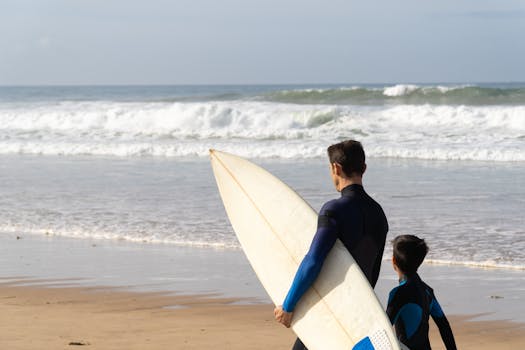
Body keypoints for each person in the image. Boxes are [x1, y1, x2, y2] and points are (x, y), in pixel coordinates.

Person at [274, 140, 389, 350]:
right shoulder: (379, 213)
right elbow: (374, 270)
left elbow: (313, 260)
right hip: (360, 308)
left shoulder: (334, 210)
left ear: (335, 167)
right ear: (363, 168)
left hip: (331, 305)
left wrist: (288, 305)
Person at [387, 235, 457, 350]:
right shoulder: (427, 291)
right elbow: (444, 326)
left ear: (393, 260)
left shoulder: (398, 293)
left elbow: (384, 326)